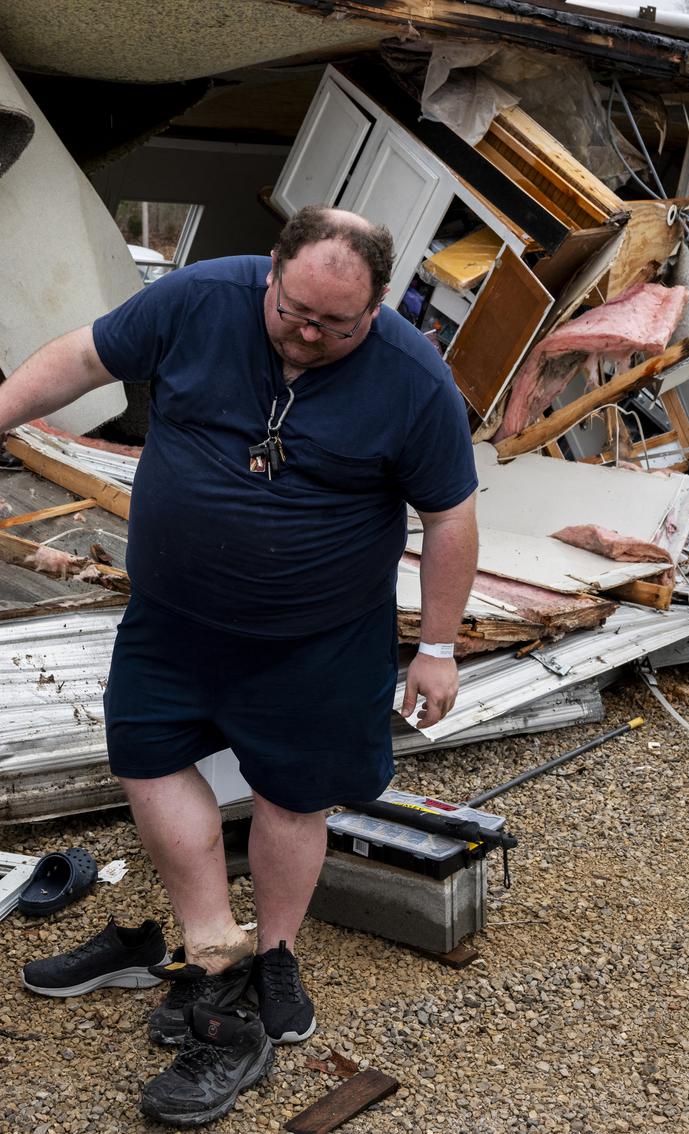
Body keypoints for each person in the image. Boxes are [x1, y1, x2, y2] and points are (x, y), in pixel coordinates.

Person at [1, 206, 478, 1125]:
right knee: (145, 755)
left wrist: (441, 647)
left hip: (319, 637)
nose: (309, 334)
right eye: (295, 310)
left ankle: (276, 956)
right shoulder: (199, 299)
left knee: (292, 794)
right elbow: (85, 356)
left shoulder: (415, 381)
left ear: (377, 307)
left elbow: (450, 516)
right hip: (174, 616)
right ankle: (212, 945)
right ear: (272, 271)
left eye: (337, 324)